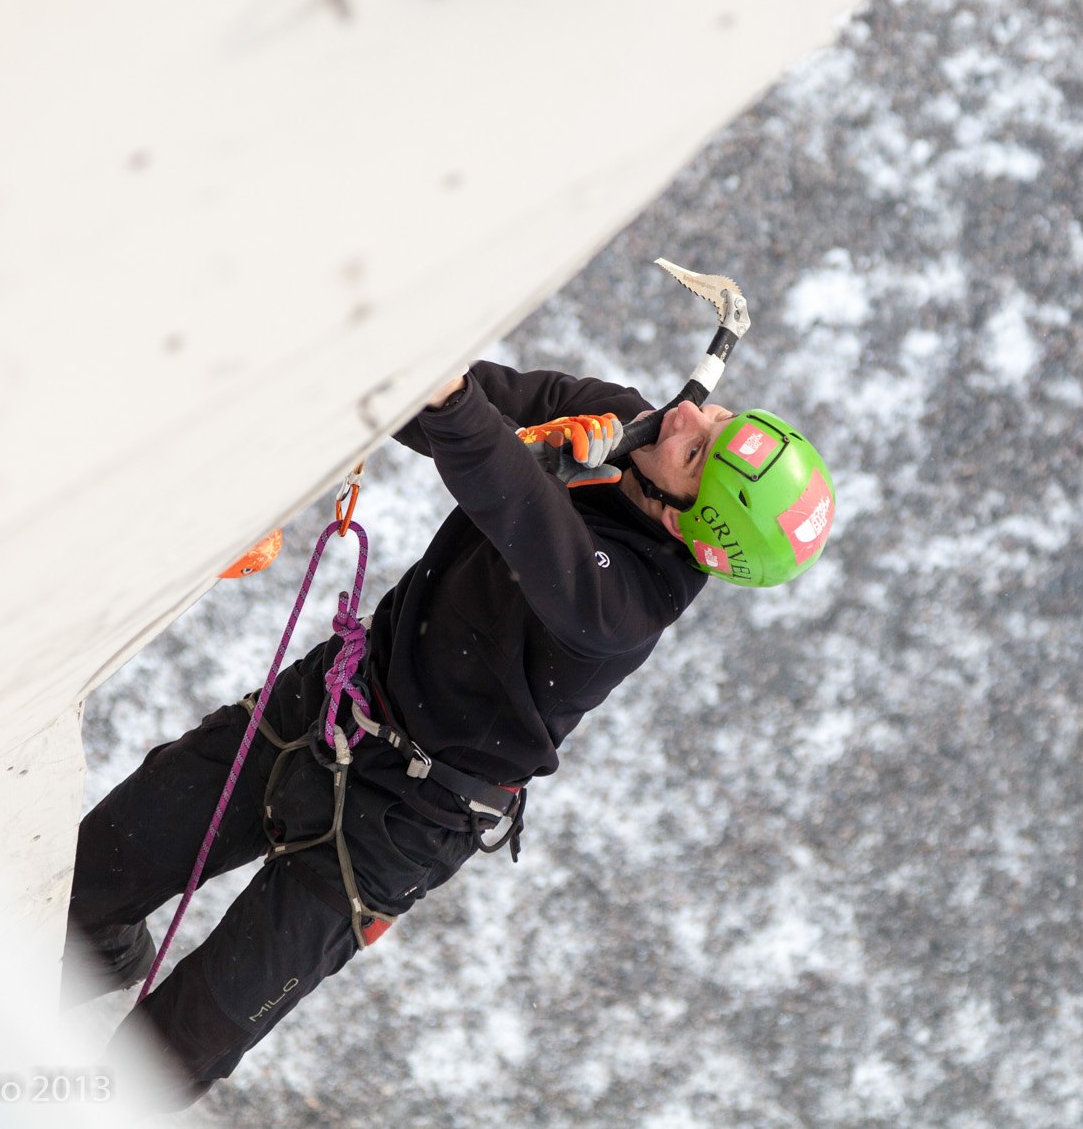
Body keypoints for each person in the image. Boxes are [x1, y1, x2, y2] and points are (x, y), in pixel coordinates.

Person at [62, 360, 835, 1108]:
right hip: (332, 703)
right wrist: (394, 373)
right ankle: (88, 951)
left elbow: (516, 502)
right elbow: (455, 402)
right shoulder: (624, 423)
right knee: (86, 881)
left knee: (164, 1053)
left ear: (678, 518)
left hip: (401, 828)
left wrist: (456, 403)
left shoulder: (625, 603)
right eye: (723, 417)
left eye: (697, 449)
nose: (690, 414)